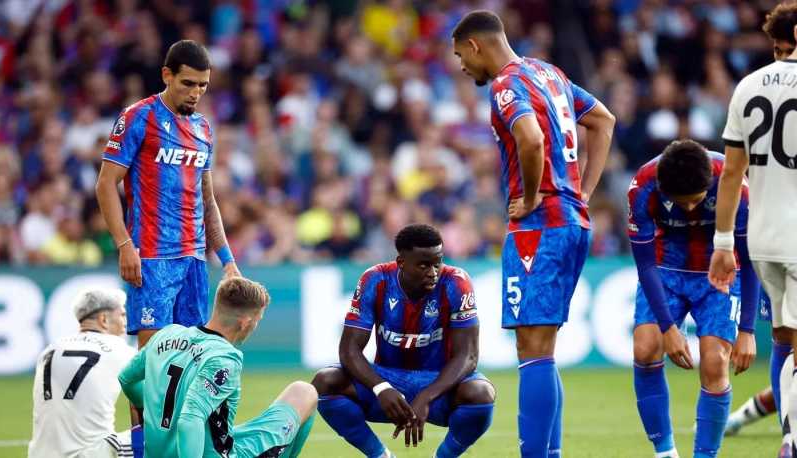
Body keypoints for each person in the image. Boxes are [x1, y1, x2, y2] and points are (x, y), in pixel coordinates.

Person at [451, 10, 615, 457]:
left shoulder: (506, 84)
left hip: (540, 228)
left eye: (460, 56)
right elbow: (604, 121)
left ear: (475, 45)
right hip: (572, 222)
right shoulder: (548, 72)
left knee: (533, 350)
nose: (462, 67)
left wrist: (533, 194)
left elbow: (531, 140)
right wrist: (580, 190)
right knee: (542, 351)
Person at [95, 39, 241, 350]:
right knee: (150, 366)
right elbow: (106, 183)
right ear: (166, 75)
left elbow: (207, 200)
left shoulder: (204, 129)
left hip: (194, 261)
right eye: (188, 83)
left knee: (184, 365)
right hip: (152, 258)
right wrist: (124, 245)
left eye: (203, 85)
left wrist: (227, 260)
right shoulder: (138, 117)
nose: (196, 93)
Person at [311, 223, 495, 458]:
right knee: (326, 381)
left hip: (438, 383)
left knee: (480, 393)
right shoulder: (375, 280)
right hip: (388, 379)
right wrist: (381, 387)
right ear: (401, 263)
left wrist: (426, 396)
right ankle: (381, 456)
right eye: (423, 264)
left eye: (437, 262)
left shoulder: (456, 282)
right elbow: (349, 350)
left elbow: (468, 356)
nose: (433, 272)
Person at [627, 139, 759, 458]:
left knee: (715, 362)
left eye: (695, 201)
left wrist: (748, 331)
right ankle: (665, 452)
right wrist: (669, 329)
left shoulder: (736, 189)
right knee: (645, 348)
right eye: (680, 202)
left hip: (721, 275)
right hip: (665, 269)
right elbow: (644, 263)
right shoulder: (642, 187)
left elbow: (749, 257)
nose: (688, 209)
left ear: (710, 185)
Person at [709, 2, 797, 455]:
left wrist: (724, 241)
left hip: (762, 238)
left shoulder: (748, 86)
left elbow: (730, 173)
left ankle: (787, 434)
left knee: (784, 338)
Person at [118, 276, 317, 457]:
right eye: (258, 320)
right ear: (245, 322)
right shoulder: (225, 358)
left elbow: (126, 379)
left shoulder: (166, 335)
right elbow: (189, 421)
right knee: (305, 393)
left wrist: (154, 414)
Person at [28, 289, 136, 458]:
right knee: (163, 434)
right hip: (91, 454)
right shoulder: (119, 349)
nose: (125, 323)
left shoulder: (49, 350)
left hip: (40, 454)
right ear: (104, 319)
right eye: (122, 315)